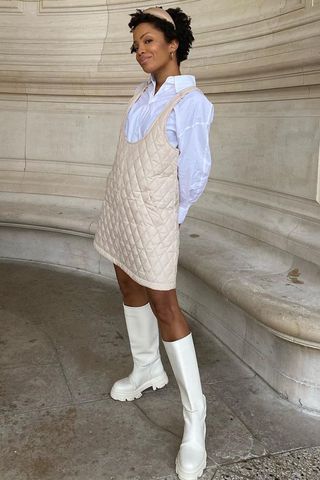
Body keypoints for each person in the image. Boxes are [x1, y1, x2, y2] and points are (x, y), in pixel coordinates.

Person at [93, 6, 214, 480]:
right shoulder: (141, 95)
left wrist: (172, 215)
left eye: (147, 41)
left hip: (155, 217)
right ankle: (147, 368)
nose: (140, 51)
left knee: (165, 303)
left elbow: (196, 171)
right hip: (122, 210)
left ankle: (195, 416)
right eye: (135, 45)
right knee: (126, 282)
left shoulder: (191, 104)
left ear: (172, 44)